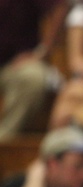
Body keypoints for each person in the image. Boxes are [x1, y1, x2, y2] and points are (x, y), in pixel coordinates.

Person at [0, 0, 69, 142]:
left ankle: (3, 139)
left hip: (14, 63)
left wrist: (43, 51)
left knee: (33, 77)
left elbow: (60, 5)